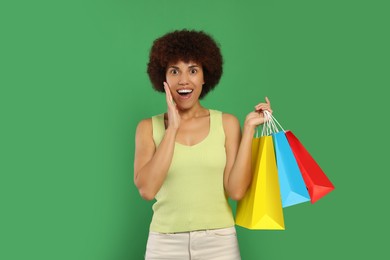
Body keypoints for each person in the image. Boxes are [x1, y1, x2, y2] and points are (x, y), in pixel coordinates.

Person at [134, 29, 272, 260]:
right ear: (164, 78)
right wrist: (173, 129)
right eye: (174, 71)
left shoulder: (226, 123)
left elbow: (236, 191)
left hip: (219, 243)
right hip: (164, 244)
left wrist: (248, 129)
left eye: (193, 70)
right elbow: (147, 190)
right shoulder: (147, 128)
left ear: (205, 76)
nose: (184, 80)